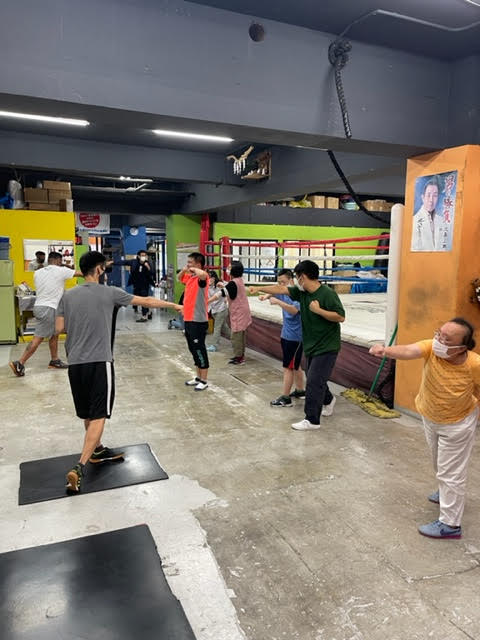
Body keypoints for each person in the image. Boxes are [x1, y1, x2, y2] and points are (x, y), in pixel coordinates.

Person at [56, 251, 182, 493]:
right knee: (99, 414)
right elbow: (146, 301)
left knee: (88, 411)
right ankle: (79, 467)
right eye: (104, 267)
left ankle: (97, 449)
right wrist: (174, 305)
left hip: (75, 363)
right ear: (99, 269)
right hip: (99, 361)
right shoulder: (110, 292)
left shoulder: (68, 296)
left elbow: (59, 328)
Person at [370, 317, 480, 539]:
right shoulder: (432, 348)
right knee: (438, 461)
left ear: (462, 348)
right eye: (439, 334)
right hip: (430, 416)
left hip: (457, 423)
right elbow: (409, 350)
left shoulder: (475, 364)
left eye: (447, 339)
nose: (439, 340)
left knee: (451, 473)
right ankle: (446, 492)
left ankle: (450, 525)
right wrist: (386, 350)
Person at [249, 260, 345, 430]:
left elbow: (340, 316)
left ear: (304, 277)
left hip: (327, 345)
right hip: (310, 344)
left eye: (298, 277)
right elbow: (281, 289)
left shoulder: (327, 294)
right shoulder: (302, 293)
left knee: (313, 381)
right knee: (315, 377)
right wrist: (259, 288)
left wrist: (319, 311)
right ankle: (329, 400)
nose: (297, 281)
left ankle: (312, 420)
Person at [9, 251, 81, 377]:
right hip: (49, 308)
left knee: (54, 334)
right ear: (58, 260)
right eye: (61, 262)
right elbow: (82, 273)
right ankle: (19, 363)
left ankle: (54, 360)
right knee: (38, 338)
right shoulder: (60, 270)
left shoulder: (38, 272)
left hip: (39, 306)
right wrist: (100, 267)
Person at [259, 269, 305, 407]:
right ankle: (300, 390)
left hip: (295, 337)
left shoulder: (297, 294)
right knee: (295, 366)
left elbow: (294, 310)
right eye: (279, 282)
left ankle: (286, 398)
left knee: (288, 367)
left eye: (283, 282)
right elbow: (275, 291)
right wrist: (266, 296)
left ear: (291, 280)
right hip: (287, 334)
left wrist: (278, 302)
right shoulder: (283, 290)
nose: (280, 285)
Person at [178, 252, 210, 391]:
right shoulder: (191, 278)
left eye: (190, 262)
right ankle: (198, 377)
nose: (188, 264)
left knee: (199, 349)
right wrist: (185, 270)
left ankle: (204, 380)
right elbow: (179, 278)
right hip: (188, 318)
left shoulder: (202, 278)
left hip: (198, 320)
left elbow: (202, 274)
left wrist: (193, 269)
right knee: (193, 349)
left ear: (198, 264)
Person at [209, 261, 252, 365]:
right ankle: (240, 356)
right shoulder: (238, 280)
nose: (227, 269)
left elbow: (220, 294)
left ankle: (239, 358)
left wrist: (207, 301)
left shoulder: (233, 283)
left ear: (234, 270)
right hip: (242, 312)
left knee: (236, 336)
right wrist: (223, 285)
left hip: (239, 313)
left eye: (229, 268)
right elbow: (229, 289)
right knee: (239, 335)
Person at [114, 250, 156, 322]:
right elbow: (124, 262)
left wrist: (148, 267)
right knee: (139, 299)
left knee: (143, 300)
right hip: (136, 284)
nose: (143, 257)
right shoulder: (134, 262)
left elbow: (152, 273)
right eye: (142, 255)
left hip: (145, 285)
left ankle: (144, 316)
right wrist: (113, 262)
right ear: (138, 256)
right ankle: (148, 312)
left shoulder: (148, 263)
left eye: (145, 255)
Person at [411, 177, 443, 251]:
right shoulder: (414, 220)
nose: (431, 200)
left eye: (435, 196)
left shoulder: (442, 221)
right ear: (423, 197)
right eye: (428, 195)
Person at [206, 270, 231, 352]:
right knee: (224, 328)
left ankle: (214, 345)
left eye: (211, 278)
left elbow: (230, 289)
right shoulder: (206, 286)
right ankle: (235, 339)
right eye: (207, 278)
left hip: (222, 309)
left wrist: (226, 296)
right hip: (214, 310)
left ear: (214, 278)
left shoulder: (220, 284)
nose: (209, 280)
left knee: (217, 327)